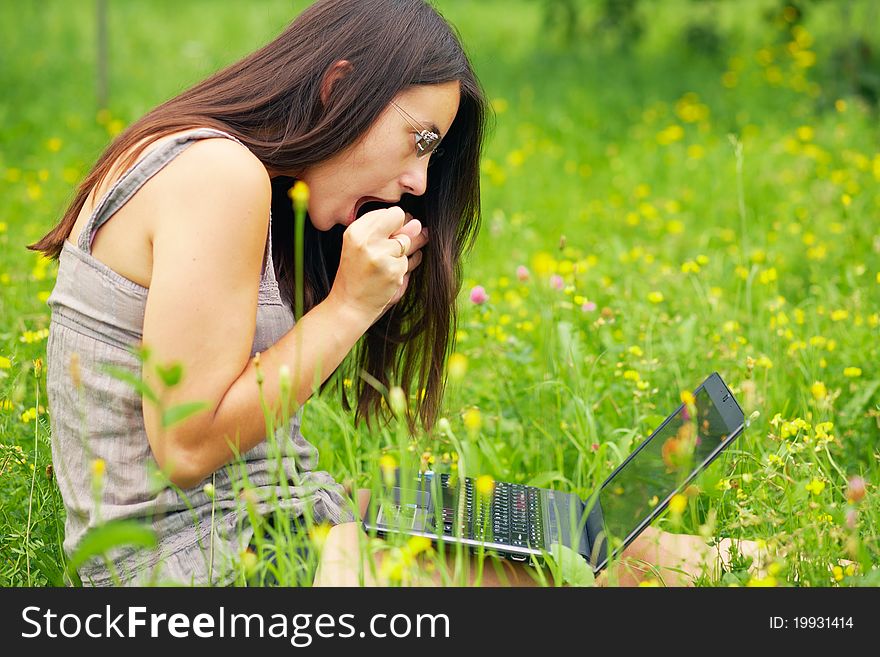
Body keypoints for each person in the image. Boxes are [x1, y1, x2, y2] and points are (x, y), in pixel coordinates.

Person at [32, 0, 761, 587]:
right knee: (584, 575)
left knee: (615, 548)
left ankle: (821, 563)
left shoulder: (228, 172)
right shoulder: (217, 174)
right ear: (340, 86)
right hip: (194, 567)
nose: (418, 184)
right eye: (420, 142)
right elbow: (187, 447)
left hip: (276, 523)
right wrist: (346, 308)